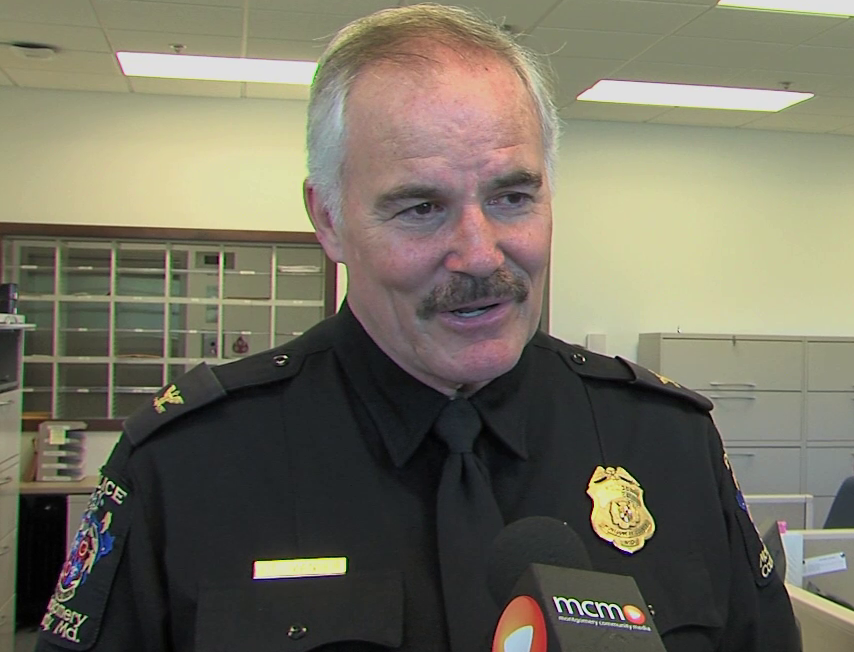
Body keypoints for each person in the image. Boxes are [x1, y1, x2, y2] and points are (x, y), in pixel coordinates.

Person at [36, 4, 800, 652]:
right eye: (420, 207)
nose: (479, 255)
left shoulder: (666, 446)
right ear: (328, 219)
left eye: (511, 197)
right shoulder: (187, 468)